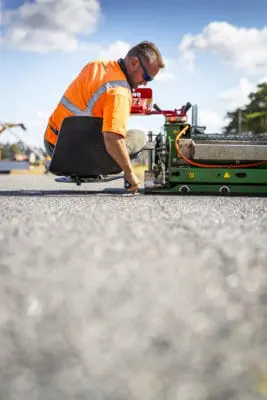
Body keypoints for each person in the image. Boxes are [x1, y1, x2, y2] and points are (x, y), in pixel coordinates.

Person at [44, 41, 165, 193]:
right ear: (134, 63)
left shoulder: (95, 66)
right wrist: (129, 173)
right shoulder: (120, 92)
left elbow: (91, 105)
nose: (145, 84)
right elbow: (112, 138)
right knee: (139, 136)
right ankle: (94, 166)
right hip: (80, 157)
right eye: (146, 77)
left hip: (54, 148)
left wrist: (126, 108)